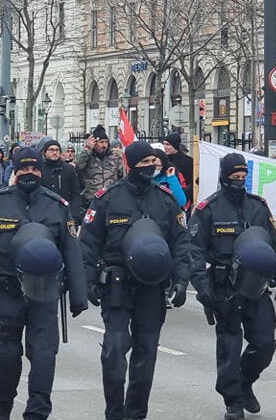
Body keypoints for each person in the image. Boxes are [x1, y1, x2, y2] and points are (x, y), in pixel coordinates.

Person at [0, 147, 88, 420]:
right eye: (23, 169)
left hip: (45, 291)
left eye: (34, 169)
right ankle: (4, 405)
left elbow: (71, 250)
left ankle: (38, 411)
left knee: (44, 354)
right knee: (5, 354)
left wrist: (80, 295)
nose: (29, 174)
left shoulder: (57, 206)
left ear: (40, 171)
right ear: (14, 171)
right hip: (9, 289)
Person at [79, 140, 192, 420]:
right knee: (115, 349)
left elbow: (181, 244)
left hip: (152, 287)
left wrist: (181, 280)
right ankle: (115, 412)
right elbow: (89, 242)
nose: (149, 168)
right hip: (116, 283)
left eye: (153, 163)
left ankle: (136, 413)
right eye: (143, 164)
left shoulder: (165, 200)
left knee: (146, 351)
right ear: (130, 165)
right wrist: (88, 279)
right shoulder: (108, 198)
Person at [189, 153, 276, 420]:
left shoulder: (257, 207)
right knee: (229, 348)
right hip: (224, 286)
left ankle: (245, 381)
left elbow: (275, 244)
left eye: (243, 176)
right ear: (224, 176)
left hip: (257, 285)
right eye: (235, 177)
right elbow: (194, 252)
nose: (239, 181)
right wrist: (203, 289)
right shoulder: (208, 210)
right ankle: (233, 400)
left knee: (265, 343)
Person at [75, 125, 125, 219]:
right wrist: (87, 150)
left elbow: (122, 176)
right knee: (90, 225)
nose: (104, 145)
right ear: (94, 143)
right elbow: (76, 165)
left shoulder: (115, 157)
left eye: (106, 142)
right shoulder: (87, 156)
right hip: (91, 200)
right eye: (101, 142)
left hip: (111, 199)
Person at [40, 139, 82, 216]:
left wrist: (74, 214)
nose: (55, 152)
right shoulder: (39, 169)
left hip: (64, 212)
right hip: (44, 212)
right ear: (45, 152)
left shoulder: (69, 169)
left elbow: (75, 194)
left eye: (57, 150)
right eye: (51, 150)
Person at [163, 132, 193, 210]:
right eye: (164, 144)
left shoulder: (188, 162)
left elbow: (193, 182)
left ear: (175, 146)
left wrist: (185, 195)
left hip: (184, 201)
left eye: (168, 144)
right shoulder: (162, 161)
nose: (164, 147)